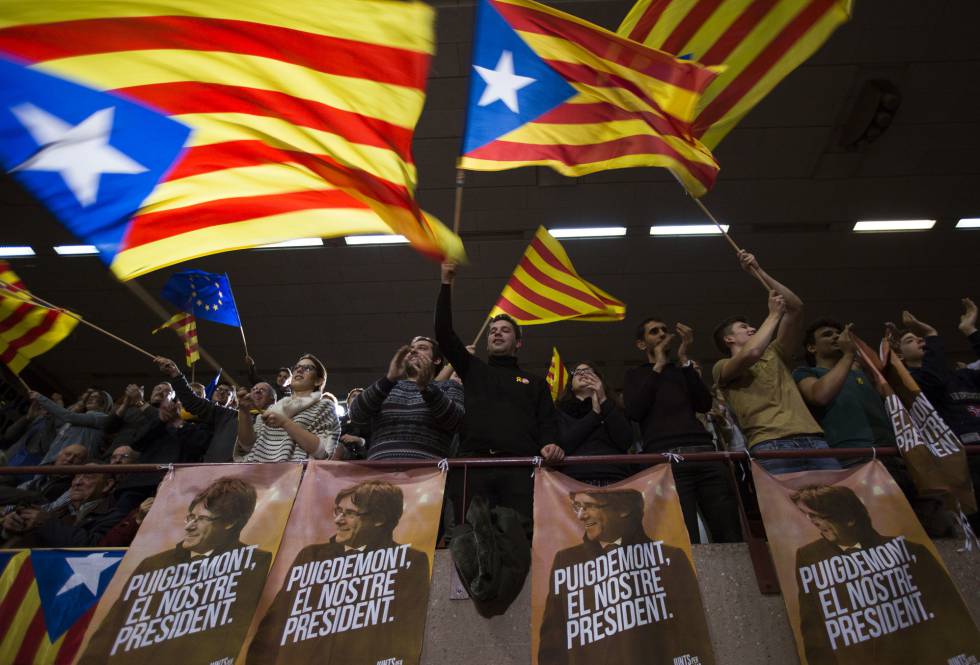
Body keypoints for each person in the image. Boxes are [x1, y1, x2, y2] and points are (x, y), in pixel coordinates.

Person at [78, 477, 273, 665]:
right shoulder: (153, 564)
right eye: (190, 517)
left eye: (202, 519)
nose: (189, 526)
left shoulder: (256, 564)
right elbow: (108, 634)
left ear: (229, 523)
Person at [246, 480, 430, 665]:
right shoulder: (311, 556)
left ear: (379, 519)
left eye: (349, 513)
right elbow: (274, 627)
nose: (338, 520)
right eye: (338, 511)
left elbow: (407, 634)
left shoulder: (409, 561)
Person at [791, 484, 980, 664]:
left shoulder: (912, 552)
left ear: (849, 519)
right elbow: (814, 630)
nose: (814, 522)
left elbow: (951, 614)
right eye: (809, 516)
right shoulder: (809, 557)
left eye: (820, 516)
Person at [435, 261, 561, 525]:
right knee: (471, 542)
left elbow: (548, 422)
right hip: (474, 467)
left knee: (518, 543)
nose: (496, 334)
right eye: (493, 331)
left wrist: (551, 443)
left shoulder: (535, 383)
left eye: (504, 330)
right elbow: (444, 335)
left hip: (520, 468)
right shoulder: (473, 370)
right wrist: (446, 283)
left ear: (518, 342)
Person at [537, 488, 714, 665]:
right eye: (577, 507)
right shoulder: (566, 561)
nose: (581, 516)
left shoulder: (669, 558)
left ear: (623, 510)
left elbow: (692, 635)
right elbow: (553, 641)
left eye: (589, 506)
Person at [712, 250, 839, 475]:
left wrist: (757, 270)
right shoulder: (721, 367)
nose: (750, 328)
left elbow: (796, 307)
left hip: (813, 440)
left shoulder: (774, 352)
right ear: (728, 339)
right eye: (743, 327)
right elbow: (750, 354)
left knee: (836, 506)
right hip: (770, 444)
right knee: (785, 510)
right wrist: (772, 316)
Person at [625, 318, 741, 542]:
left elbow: (703, 404)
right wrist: (657, 366)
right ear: (641, 344)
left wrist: (684, 357)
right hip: (667, 458)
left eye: (664, 330)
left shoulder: (682, 371)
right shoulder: (635, 375)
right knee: (684, 534)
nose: (661, 334)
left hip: (705, 453)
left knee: (728, 528)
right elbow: (634, 411)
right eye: (654, 332)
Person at [891, 300, 980, 531]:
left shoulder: (963, 376)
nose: (920, 340)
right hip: (962, 465)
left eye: (921, 338)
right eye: (911, 340)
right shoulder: (911, 384)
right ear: (899, 355)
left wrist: (970, 330)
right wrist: (931, 334)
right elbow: (934, 379)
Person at [346, 336, 463, 460]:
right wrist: (389, 379)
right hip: (379, 472)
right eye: (411, 349)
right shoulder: (386, 387)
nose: (413, 351)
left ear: (437, 360)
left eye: (422, 348)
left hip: (427, 473)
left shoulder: (448, 387)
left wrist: (427, 388)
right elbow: (356, 415)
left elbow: (457, 422)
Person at [794, 320, 896, 461]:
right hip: (850, 455)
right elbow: (820, 396)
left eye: (838, 333)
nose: (836, 337)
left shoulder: (861, 373)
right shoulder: (805, 372)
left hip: (890, 451)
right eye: (827, 334)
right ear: (812, 347)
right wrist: (848, 354)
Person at [155, 356, 276, 462]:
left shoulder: (277, 422)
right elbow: (194, 402)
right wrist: (175, 374)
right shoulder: (228, 415)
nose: (256, 390)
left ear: (273, 400)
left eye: (263, 390)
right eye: (254, 389)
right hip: (213, 473)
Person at [237, 354, 339, 462]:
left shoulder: (324, 406)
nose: (299, 370)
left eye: (308, 368)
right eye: (296, 367)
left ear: (318, 381)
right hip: (257, 473)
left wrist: (285, 423)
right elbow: (247, 446)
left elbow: (323, 451)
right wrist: (244, 412)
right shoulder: (273, 409)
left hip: (296, 475)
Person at [3, 465, 124, 547]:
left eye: (88, 476)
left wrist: (46, 523)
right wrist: (11, 528)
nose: (77, 482)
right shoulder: (58, 509)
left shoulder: (114, 516)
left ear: (107, 485)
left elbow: (94, 546)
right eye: (76, 476)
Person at [556, 362, 633, 485]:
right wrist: (594, 415)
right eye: (577, 372)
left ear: (600, 381)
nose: (582, 374)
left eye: (588, 371)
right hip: (573, 479)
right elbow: (563, 444)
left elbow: (626, 441)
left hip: (615, 476)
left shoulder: (614, 407)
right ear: (570, 386)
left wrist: (602, 400)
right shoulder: (559, 411)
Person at [35, 388, 112, 464]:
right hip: (54, 460)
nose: (90, 399)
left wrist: (41, 399)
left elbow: (68, 416)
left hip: (73, 463)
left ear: (104, 403)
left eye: (96, 397)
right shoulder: (78, 419)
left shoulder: (101, 418)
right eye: (90, 397)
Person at [103, 382, 172, 450]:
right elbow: (108, 429)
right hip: (113, 455)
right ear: (152, 392)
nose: (160, 392)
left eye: (166, 391)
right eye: (158, 389)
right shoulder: (132, 409)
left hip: (142, 458)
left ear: (172, 397)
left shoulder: (171, 413)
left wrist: (139, 401)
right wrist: (125, 405)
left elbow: (160, 419)